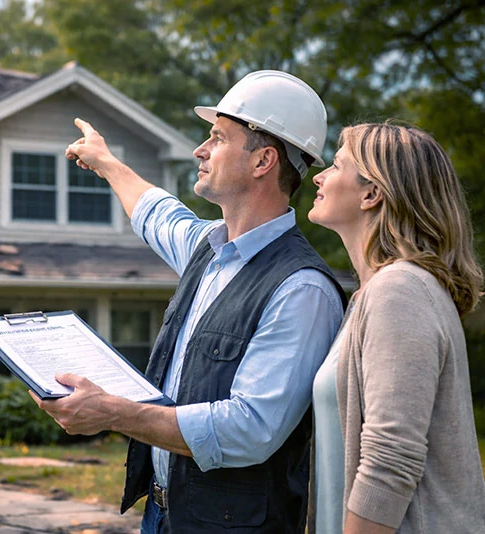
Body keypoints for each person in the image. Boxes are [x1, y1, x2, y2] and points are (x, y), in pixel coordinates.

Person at [31, 70, 347, 533]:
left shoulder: (301, 289)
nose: (200, 150)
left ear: (263, 161)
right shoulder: (209, 250)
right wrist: (106, 163)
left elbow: (250, 429)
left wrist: (114, 412)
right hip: (162, 515)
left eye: (217, 138)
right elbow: (157, 214)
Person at [308, 122, 485, 534]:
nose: (318, 177)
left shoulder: (399, 290)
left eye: (336, 166)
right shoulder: (374, 295)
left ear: (371, 193)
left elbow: (390, 460)